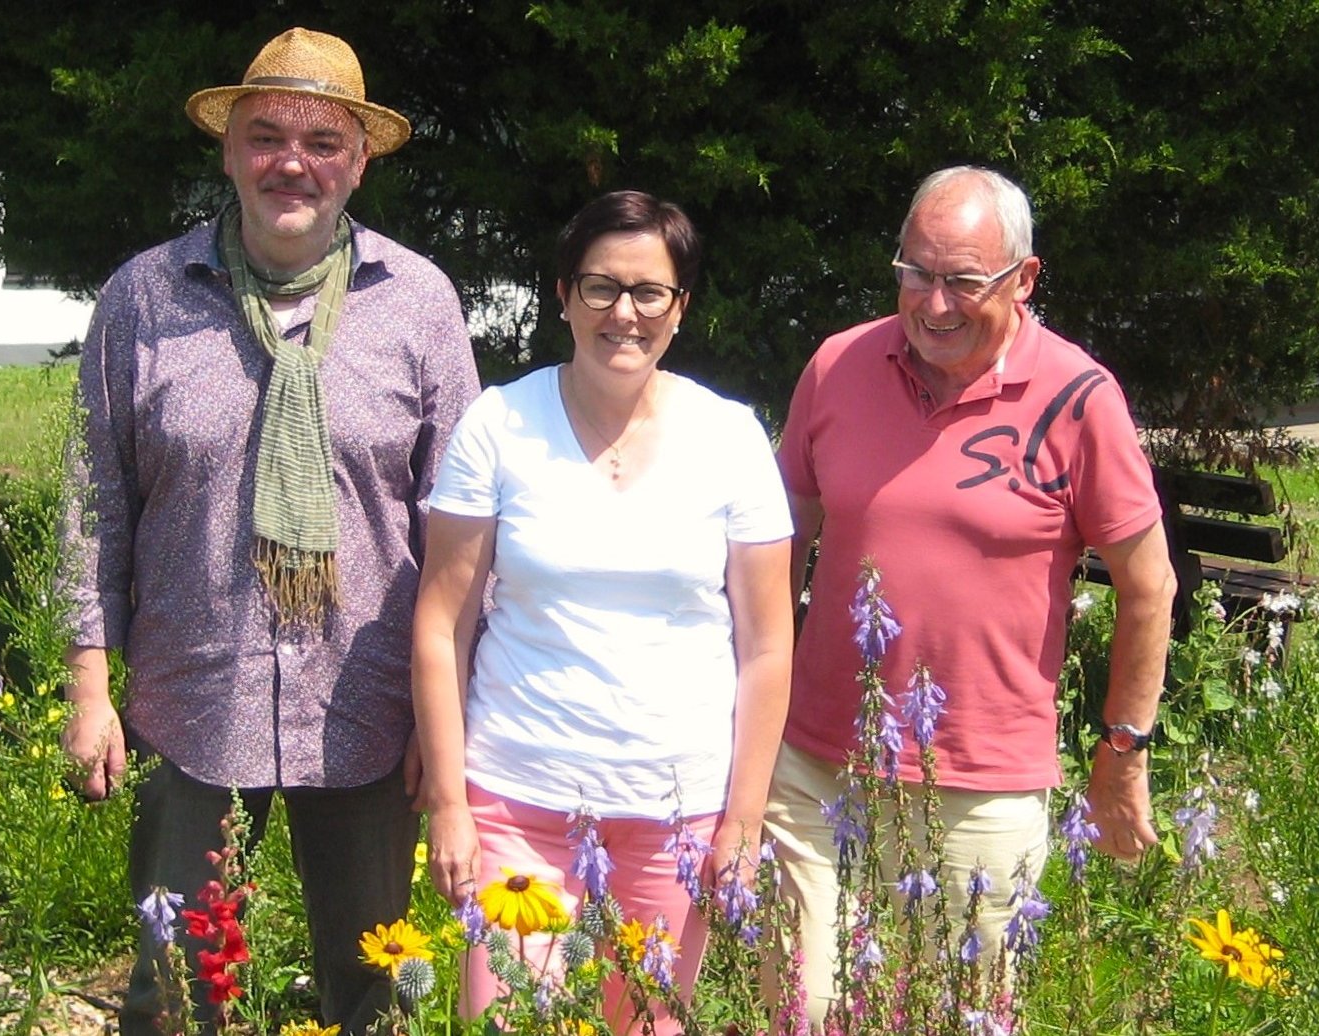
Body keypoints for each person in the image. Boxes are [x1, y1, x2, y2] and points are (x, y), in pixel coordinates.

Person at [58, 27, 480, 1036]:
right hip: (191, 701)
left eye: (323, 141)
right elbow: (93, 504)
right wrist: (88, 689)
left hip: (367, 706)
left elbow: (460, 532)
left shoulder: (418, 304)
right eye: (268, 135)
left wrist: (443, 716)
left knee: (369, 984)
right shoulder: (142, 300)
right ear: (228, 149)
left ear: (360, 160)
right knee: (175, 985)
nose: (294, 161)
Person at [765, 166, 1177, 1019]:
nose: (934, 303)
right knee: (798, 1011)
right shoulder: (838, 364)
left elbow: (1148, 586)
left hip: (979, 786)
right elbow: (777, 543)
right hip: (811, 765)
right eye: (916, 272)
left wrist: (1122, 753)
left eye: (963, 280)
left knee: (962, 1013)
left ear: (1024, 279)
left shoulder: (1077, 398)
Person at [411, 190, 794, 1034]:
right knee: (506, 1021)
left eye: (649, 292)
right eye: (599, 288)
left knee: (647, 1023)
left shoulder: (730, 439)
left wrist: (741, 817)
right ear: (562, 295)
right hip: (517, 801)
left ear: (680, 307)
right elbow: (441, 624)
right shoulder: (498, 425)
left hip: (677, 813)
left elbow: (768, 646)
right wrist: (449, 802)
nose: (624, 312)